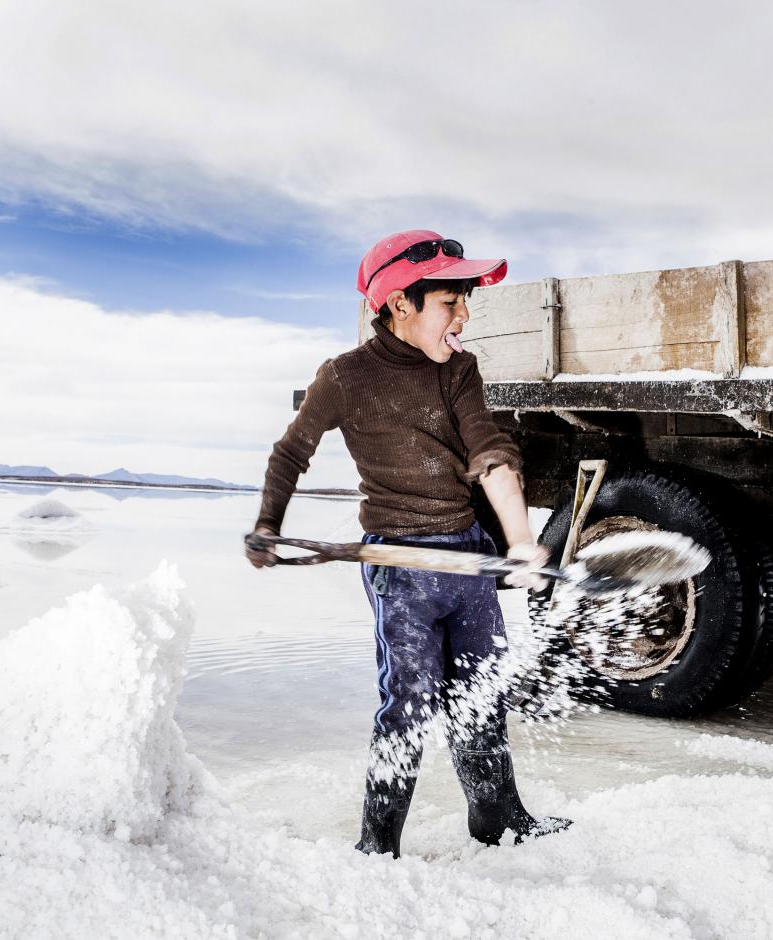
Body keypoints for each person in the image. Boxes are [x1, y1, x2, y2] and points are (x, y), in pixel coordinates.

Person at [246, 229, 571, 857]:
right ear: (401, 304)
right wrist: (268, 525)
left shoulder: (460, 370)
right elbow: (291, 453)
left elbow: (491, 453)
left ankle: (497, 821)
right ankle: (379, 843)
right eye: (451, 302)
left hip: (470, 560)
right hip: (402, 571)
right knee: (410, 705)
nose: (464, 317)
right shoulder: (344, 378)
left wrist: (523, 542)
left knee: (481, 695)